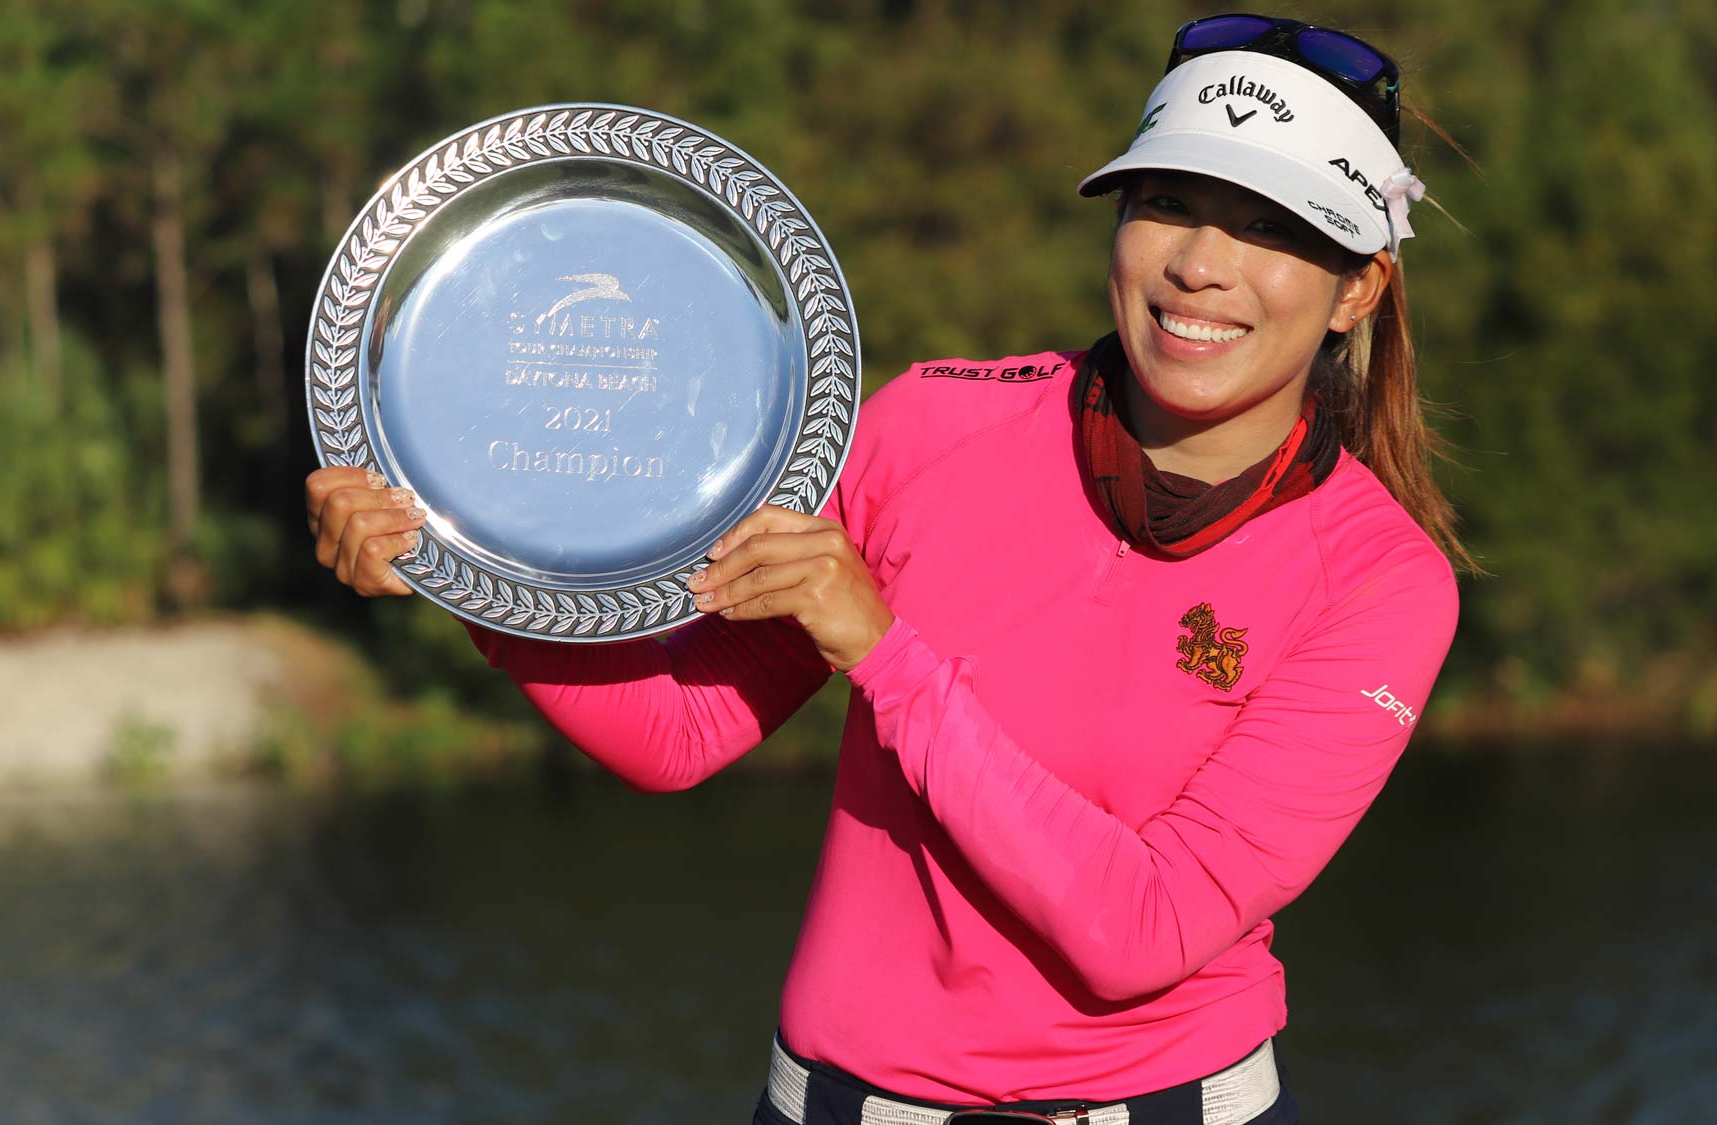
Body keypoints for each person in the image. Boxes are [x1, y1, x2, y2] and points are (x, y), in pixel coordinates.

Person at [305, 14, 1465, 1124]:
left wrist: (883, 654)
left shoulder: (1379, 581)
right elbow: (677, 732)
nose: (1201, 265)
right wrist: (468, 568)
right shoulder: (929, 427)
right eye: (1166, 204)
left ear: (1355, 289)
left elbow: (1143, 930)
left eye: (1267, 228)